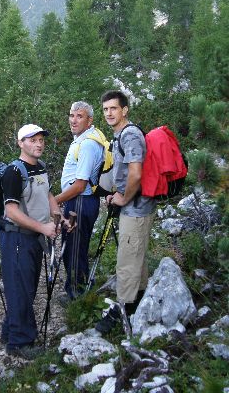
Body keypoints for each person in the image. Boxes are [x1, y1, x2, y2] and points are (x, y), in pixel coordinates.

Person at [0, 124, 73, 360]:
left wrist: (58, 218)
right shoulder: (13, 172)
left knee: (25, 287)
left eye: (41, 140)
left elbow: (48, 195)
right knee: (21, 288)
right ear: (20, 143)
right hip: (17, 238)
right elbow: (10, 211)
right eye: (32, 140)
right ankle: (19, 343)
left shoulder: (39, 168)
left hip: (33, 238)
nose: (39, 144)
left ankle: (10, 330)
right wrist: (42, 227)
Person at [96, 90, 156, 333]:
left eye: (114, 108)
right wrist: (116, 193)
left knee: (126, 262)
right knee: (136, 256)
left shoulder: (129, 135)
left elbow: (136, 173)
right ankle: (138, 300)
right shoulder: (121, 134)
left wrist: (124, 197)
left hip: (137, 207)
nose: (109, 113)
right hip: (135, 205)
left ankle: (123, 309)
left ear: (125, 110)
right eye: (106, 109)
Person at [55, 101, 103, 301]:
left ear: (89, 120)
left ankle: (77, 294)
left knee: (73, 249)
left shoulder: (89, 144)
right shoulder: (84, 139)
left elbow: (79, 185)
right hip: (79, 202)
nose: (73, 120)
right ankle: (81, 287)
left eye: (79, 116)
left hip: (80, 202)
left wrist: (53, 201)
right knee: (76, 246)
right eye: (71, 115)